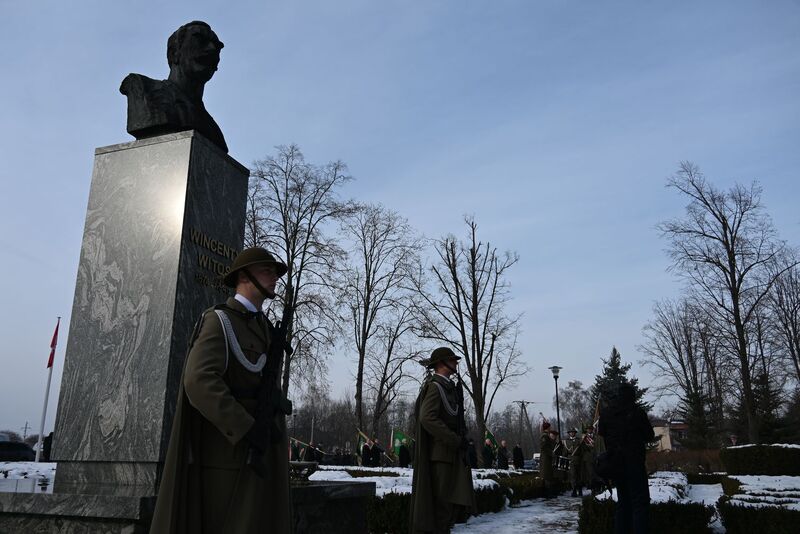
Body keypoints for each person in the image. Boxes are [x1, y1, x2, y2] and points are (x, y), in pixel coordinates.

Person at [151, 247, 292, 533]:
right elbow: (199, 381)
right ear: (244, 276)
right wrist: (245, 427)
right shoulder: (219, 321)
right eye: (267, 270)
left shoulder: (264, 328)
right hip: (231, 459)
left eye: (275, 272)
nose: (274, 278)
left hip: (263, 454)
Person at [120, 21, 229, 153]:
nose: (212, 49)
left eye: (217, 47)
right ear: (174, 53)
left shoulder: (214, 132)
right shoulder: (144, 90)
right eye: (200, 40)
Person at [409, 347, 474, 533]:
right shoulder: (435, 387)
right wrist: (454, 439)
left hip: (451, 455)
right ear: (441, 363)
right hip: (441, 456)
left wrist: (463, 439)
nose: (455, 363)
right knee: (442, 509)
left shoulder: (447, 387)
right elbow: (427, 418)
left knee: (450, 509)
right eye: (452, 360)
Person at [598, 383, 655, 534]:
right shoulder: (637, 412)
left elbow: (602, 433)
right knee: (640, 503)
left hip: (616, 464)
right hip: (634, 463)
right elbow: (650, 435)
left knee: (623, 502)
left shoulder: (606, 413)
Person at [564, 427, 585, 497]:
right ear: (569, 433)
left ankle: (580, 490)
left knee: (580, 475)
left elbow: (582, 450)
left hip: (579, 459)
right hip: (570, 460)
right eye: (571, 432)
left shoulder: (579, 440)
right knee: (572, 476)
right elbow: (565, 452)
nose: (572, 433)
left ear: (575, 433)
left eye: (573, 432)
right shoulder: (566, 441)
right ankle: (574, 490)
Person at [539, 423, 556, 494]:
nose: (550, 429)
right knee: (547, 476)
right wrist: (551, 453)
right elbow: (543, 447)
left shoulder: (547, 436)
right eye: (549, 427)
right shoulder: (544, 436)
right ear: (547, 428)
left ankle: (549, 492)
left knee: (549, 475)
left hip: (548, 458)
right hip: (545, 458)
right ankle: (548, 493)